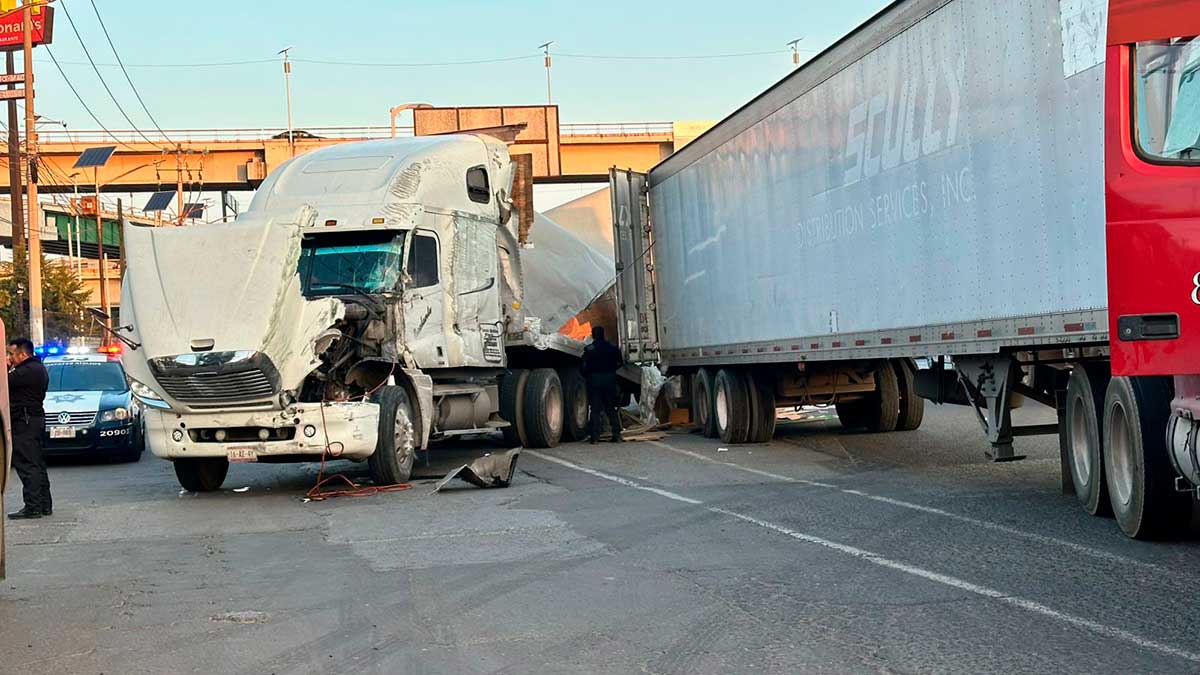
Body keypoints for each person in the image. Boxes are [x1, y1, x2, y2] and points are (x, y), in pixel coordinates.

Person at [7, 337, 50, 519]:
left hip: (25, 421)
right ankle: (44, 505)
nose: (10, 357)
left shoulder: (26, 371)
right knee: (36, 463)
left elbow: (3, 383)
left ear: (22, 354)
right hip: (33, 419)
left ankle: (33, 506)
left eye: (11, 354)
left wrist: (5, 367)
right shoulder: (38, 368)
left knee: (27, 464)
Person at [580, 326, 624, 444]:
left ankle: (595, 437)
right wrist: (612, 370)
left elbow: (583, 367)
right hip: (609, 379)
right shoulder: (612, 348)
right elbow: (620, 362)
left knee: (595, 409)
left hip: (594, 380)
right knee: (611, 408)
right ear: (604, 334)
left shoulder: (589, 349)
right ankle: (617, 435)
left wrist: (588, 375)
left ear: (593, 335)